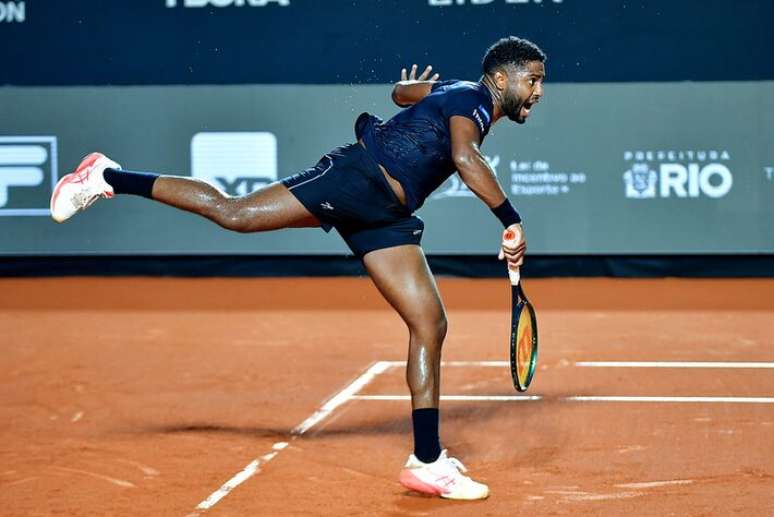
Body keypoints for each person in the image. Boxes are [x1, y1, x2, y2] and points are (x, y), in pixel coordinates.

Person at [50, 36, 546, 500]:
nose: (538, 91)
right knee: (236, 213)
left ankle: (426, 460)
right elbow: (464, 156)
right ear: (502, 81)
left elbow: (402, 94)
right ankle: (108, 176)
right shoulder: (474, 104)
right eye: (533, 80)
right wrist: (510, 218)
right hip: (356, 180)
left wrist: (409, 89)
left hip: (386, 214)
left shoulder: (455, 92)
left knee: (429, 322)